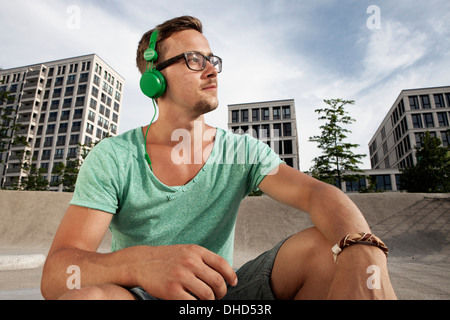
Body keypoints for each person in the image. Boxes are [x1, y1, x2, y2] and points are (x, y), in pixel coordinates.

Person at [41, 16, 397, 300]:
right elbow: (58, 274)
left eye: (212, 60)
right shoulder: (114, 158)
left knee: (330, 246)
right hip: (137, 295)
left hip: (225, 299)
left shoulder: (240, 151)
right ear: (154, 79)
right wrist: (141, 264)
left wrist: (362, 251)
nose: (211, 70)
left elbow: (317, 194)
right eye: (194, 60)